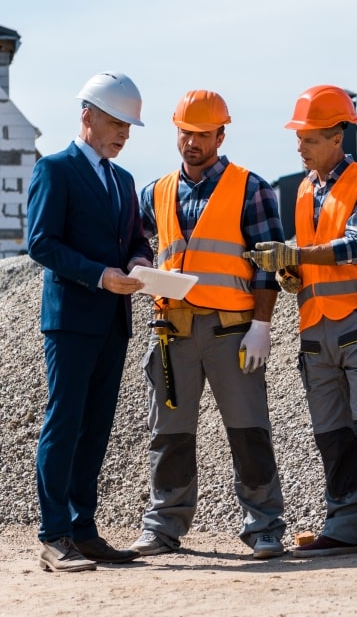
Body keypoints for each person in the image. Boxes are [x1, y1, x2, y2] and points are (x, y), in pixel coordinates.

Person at [127, 90, 288, 560]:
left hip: (231, 332)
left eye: (201, 134)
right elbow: (137, 247)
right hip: (171, 332)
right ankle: (163, 527)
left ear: (221, 133)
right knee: (169, 435)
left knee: (248, 430)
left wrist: (262, 324)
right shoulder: (154, 193)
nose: (192, 142)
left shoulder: (251, 188)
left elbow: (266, 265)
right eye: (185, 132)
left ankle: (264, 527)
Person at [245, 84, 357, 560]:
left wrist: (295, 252)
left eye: (309, 138)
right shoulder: (303, 191)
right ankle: (343, 523)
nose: (300, 146)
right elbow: (311, 259)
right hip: (316, 332)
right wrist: (291, 271)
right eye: (299, 137)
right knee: (332, 434)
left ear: (337, 136)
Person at [26, 71, 153, 572]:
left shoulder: (123, 181)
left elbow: (135, 240)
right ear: (87, 116)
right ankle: (54, 535)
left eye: (129, 125)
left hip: (112, 322)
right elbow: (41, 243)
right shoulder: (54, 170)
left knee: (96, 427)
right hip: (72, 320)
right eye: (117, 122)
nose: (124, 133)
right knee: (65, 424)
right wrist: (100, 276)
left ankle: (84, 529)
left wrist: (140, 261)